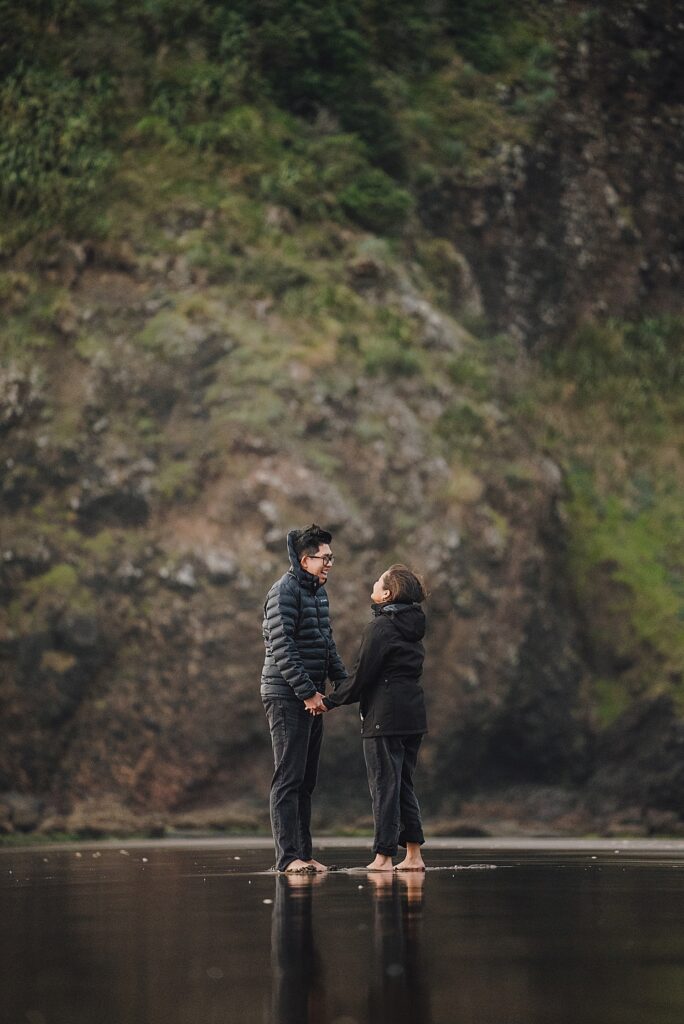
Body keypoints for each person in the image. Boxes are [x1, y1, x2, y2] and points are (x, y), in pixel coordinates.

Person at [319, 564, 428, 871]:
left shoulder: (381, 627)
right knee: (404, 784)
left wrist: (329, 701)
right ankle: (414, 856)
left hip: (384, 717)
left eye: (378, 581)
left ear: (387, 593)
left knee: (384, 785)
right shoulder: (414, 627)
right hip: (413, 715)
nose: (374, 583)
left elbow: (361, 676)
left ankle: (382, 858)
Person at [261, 524, 347, 873]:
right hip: (285, 695)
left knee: (306, 781)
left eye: (331, 558)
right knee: (288, 778)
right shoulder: (283, 592)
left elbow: (326, 643)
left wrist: (345, 684)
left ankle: (305, 855)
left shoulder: (318, 593)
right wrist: (308, 692)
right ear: (304, 559)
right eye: (324, 558)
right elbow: (283, 648)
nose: (329, 564)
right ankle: (288, 859)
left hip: (311, 697)